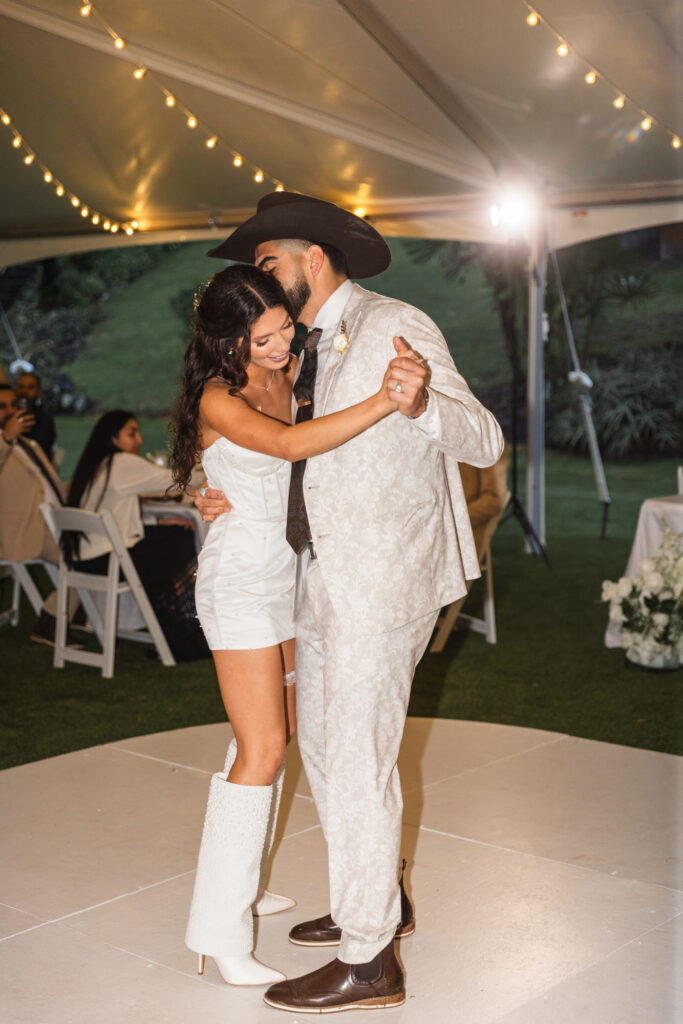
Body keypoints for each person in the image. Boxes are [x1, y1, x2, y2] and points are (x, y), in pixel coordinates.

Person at [195, 192, 504, 1014]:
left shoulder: (393, 325)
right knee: (328, 752)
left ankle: (370, 964)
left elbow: (484, 438)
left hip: (382, 579)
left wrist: (421, 402)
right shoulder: (297, 350)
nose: (261, 283)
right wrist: (211, 488)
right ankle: (376, 904)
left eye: (269, 264)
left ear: (314, 258)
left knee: (359, 760)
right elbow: (273, 446)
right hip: (316, 577)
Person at [169, 263, 403, 988]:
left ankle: (246, 874)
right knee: (262, 748)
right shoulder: (217, 396)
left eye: (282, 330)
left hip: (292, 574)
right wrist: (384, 401)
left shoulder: (295, 367)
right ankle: (218, 929)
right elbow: (290, 449)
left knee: (278, 735)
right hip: (240, 581)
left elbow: (240, 469)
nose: (278, 346)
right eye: (261, 339)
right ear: (226, 342)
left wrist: (202, 489)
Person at [66, 410, 208, 662]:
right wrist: (213, 465)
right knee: (180, 542)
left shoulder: (100, 464)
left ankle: (172, 625)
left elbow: (118, 515)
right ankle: (179, 635)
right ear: (113, 439)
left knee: (175, 533)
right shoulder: (120, 463)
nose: (139, 440)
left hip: (88, 555)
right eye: (132, 433)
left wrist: (158, 521)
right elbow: (177, 481)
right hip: (106, 555)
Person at [0, 383, 80, 646]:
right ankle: (51, 618)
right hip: (24, 529)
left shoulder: (28, 443)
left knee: (97, 552)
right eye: (3, 407)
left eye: (15, 405)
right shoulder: (8, 441)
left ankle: (73, 614)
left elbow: (53, 486)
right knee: (87, 558)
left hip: (53, 522)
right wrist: (6, 439)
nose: (11, 412)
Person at [15, 371, 57, 461]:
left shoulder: (45, 419)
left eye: (30, 387)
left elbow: (43, 444)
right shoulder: (10, 416)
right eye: (21, 387)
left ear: (39, 392)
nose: (24, 391)